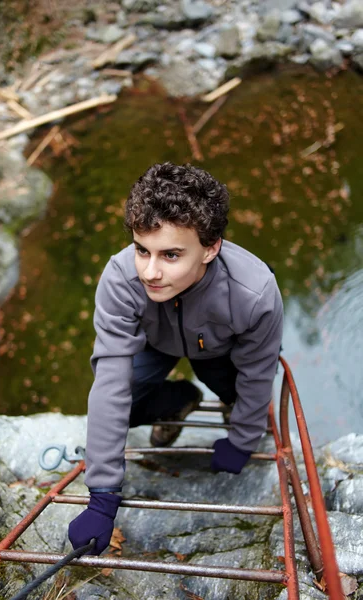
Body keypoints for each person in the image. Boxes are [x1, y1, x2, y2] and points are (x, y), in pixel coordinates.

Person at [68, 162, 283, 555]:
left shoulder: (254, 292)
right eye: (141, 250)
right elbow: (110, 382)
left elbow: (258, 371)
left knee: (243, 393)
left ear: (210, 248)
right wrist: (101, 495)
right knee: (123, 406)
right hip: (156, 343)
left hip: (221, 350)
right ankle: (178, 400)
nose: (150, 271)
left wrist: (243, 439)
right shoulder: (120, 278)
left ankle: (229, 408)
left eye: (170, 255)